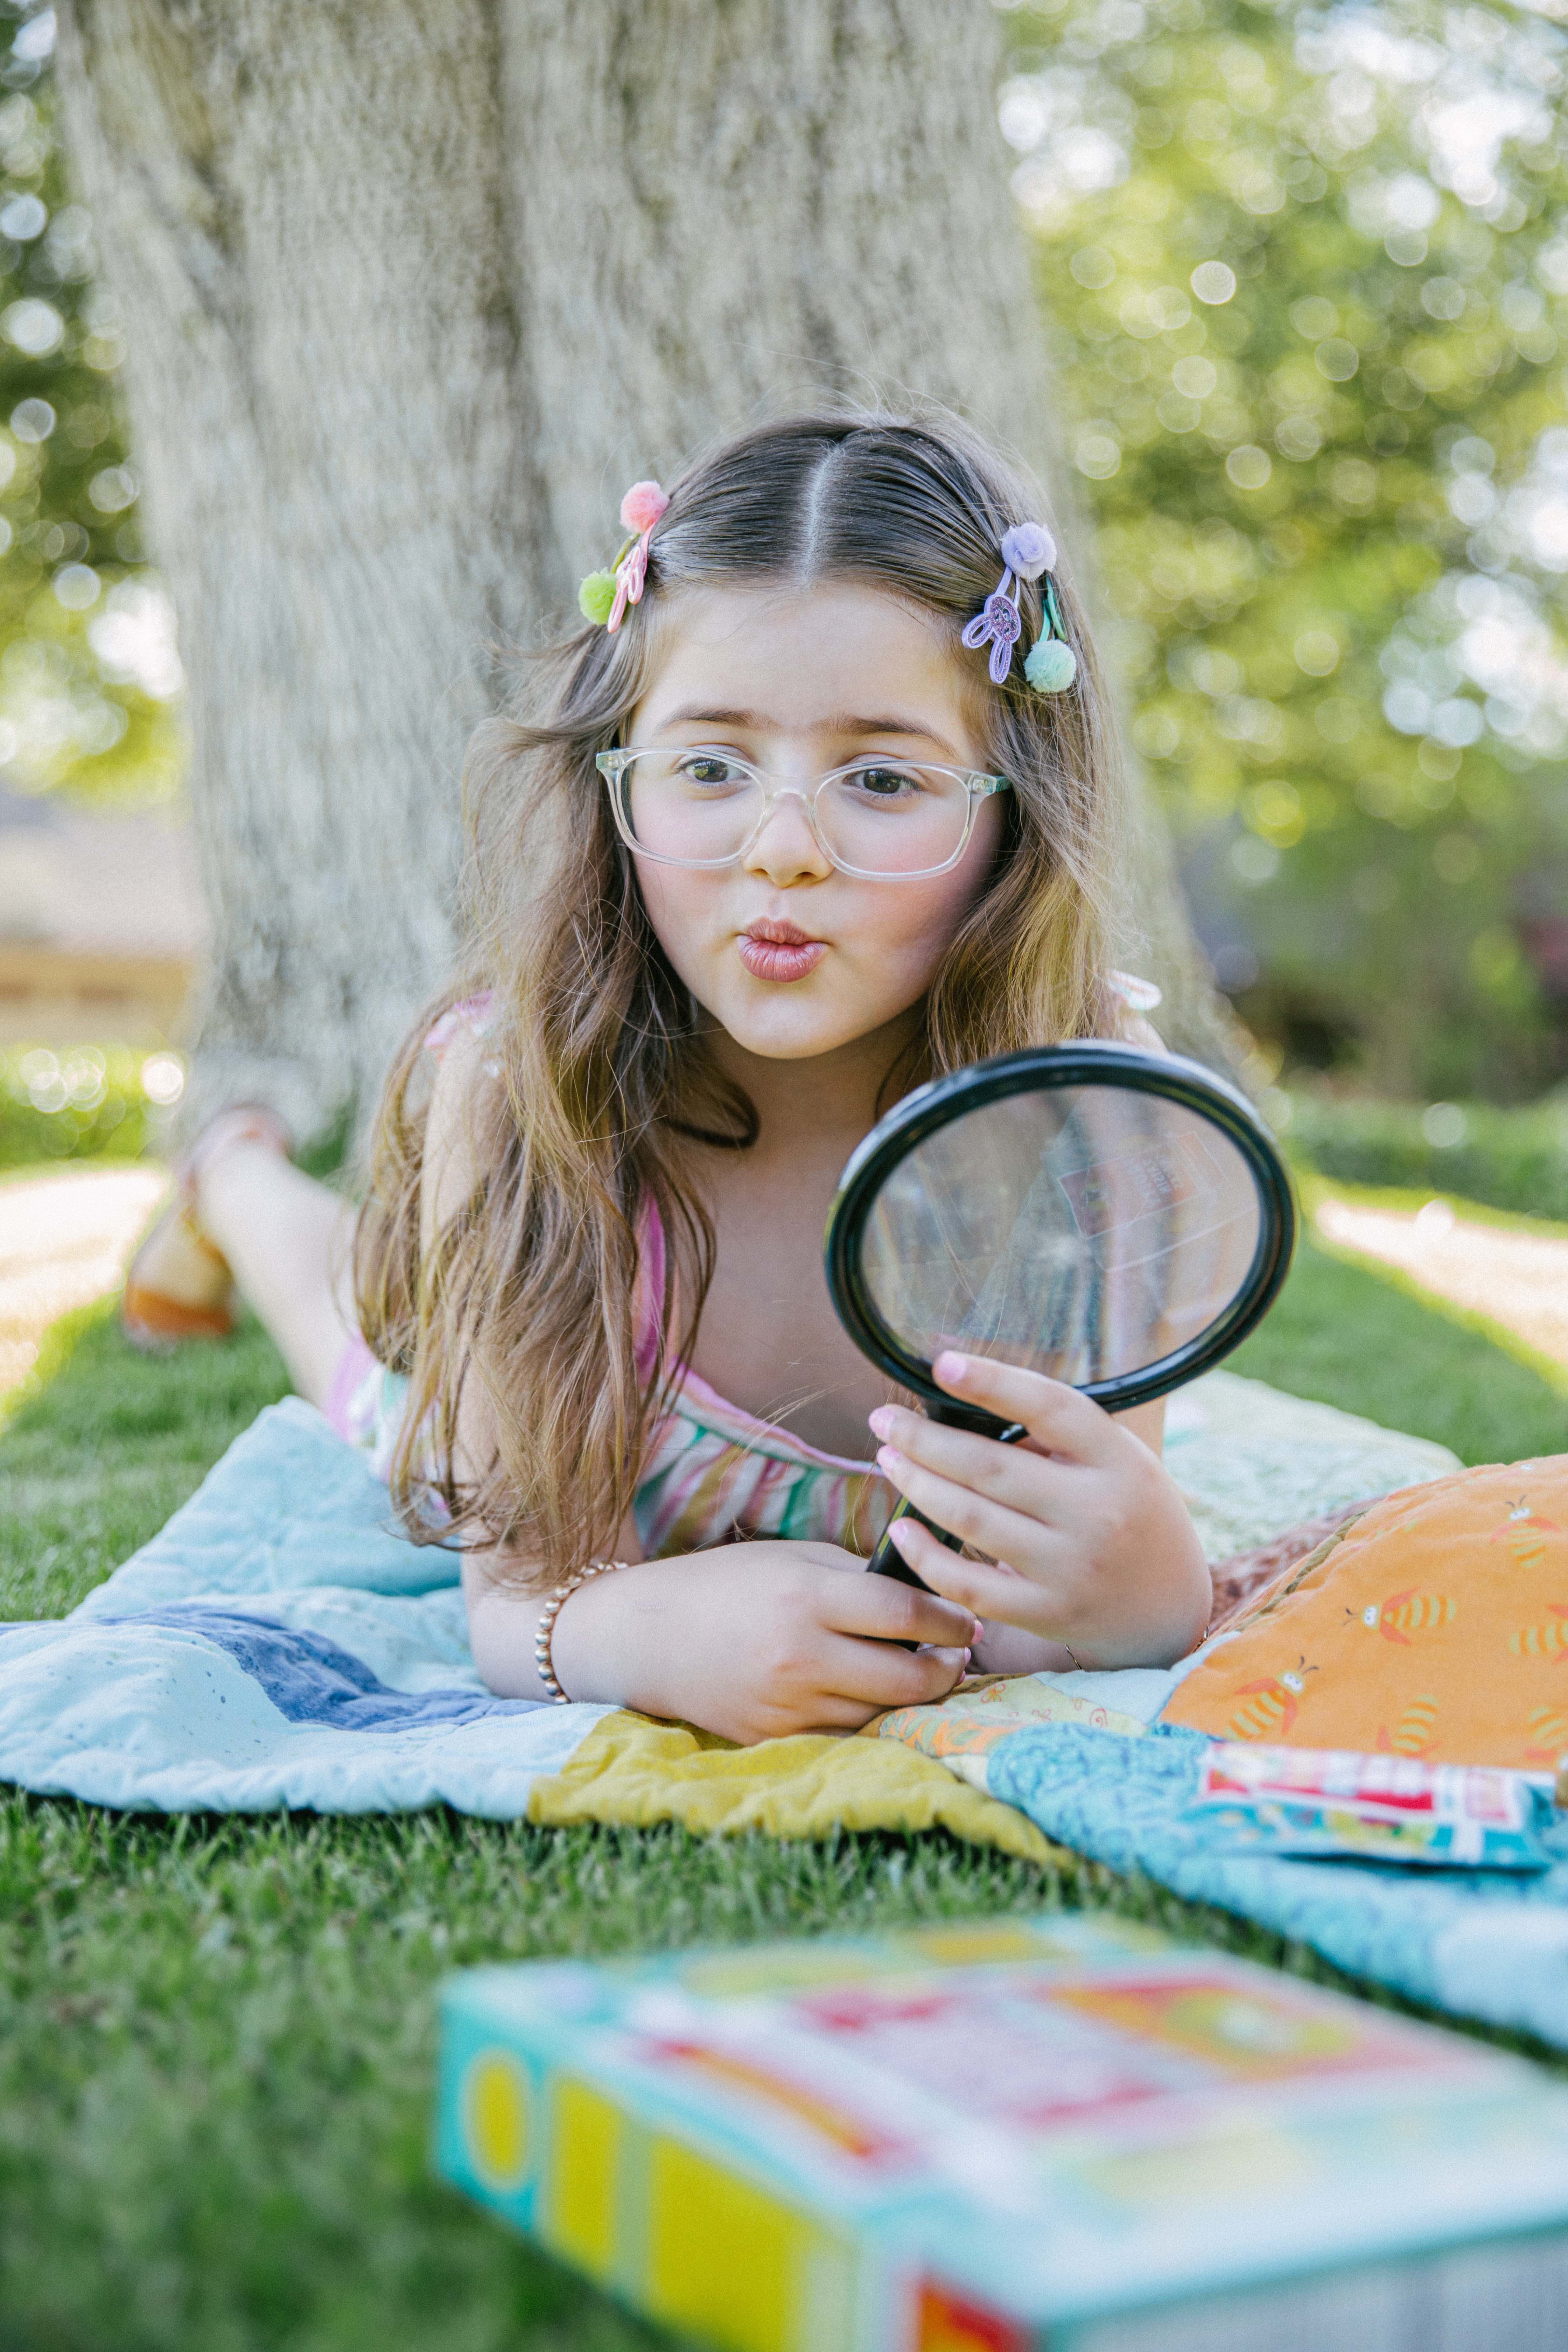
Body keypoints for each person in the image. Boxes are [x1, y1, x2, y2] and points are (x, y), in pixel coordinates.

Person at [122, 412, 1213, 1744]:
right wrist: (627, 1627)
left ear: (1013, 812)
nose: (783, 847)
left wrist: (1154, 1595)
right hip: (521, 1338)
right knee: (364, 1368)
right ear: (618, 784)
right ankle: (232, 1172)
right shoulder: (522, 1090)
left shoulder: (1097, 1114)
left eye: (882, 778)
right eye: (708, 766)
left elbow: (1090, 1591)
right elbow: (513, 1605)